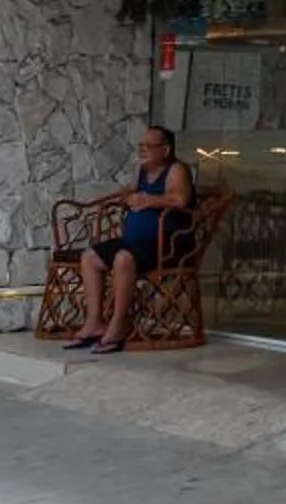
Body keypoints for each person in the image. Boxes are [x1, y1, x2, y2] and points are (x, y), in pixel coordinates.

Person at [69, 124, 195, 353]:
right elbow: (129, 192)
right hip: (134, 242)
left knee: (123, 259)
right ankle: (95, 321)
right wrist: (127, 197)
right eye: (140, 146)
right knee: (90, 257)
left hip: (166, 245)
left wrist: (149, 200)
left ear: (165, 150)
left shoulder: (177, 170)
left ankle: (119, 324)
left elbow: (180, 200)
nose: (142, 150)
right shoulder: (142, 171)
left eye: (149, 146)